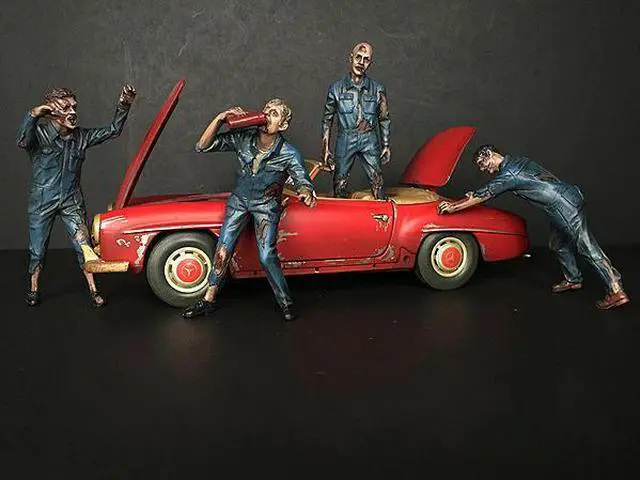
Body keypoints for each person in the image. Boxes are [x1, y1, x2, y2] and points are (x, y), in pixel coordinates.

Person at [437, 144, 629, 310]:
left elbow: (485, 194)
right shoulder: (518, 161)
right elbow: (494, 186)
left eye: (483, 164)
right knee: (558, 244)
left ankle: (615, 290)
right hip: (567, 197)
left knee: (587, 247)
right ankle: (573, 279)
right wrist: (475, 194)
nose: (485, 170)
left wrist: (454, 207)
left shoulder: (509, 174)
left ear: (490, 154)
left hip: (562, 206)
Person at [183, 99, 317, 321]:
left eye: (274, 114)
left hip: (266, 207)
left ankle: (286, 302)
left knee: (266, 256)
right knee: (223, 249)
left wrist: (305, 191)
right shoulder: (243, 138)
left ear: (283, 125)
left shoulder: (288, 153)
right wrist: (220, 118)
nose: (267, 116)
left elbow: (302, 179)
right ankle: (208, 299)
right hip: (239, 202)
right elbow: (203, 146)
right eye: (266, 111)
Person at [17, 84, 136, 307]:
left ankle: (93, 289)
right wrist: (34, 114)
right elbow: (23, 141)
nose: (73, 112)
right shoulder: (40, 135)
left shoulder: (80, 136)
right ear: (52, 111)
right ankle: (34, 288)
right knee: (37, 249)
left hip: (71, 201)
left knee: (84, 246)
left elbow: (113, 130)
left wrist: (124, 104)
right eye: (66, 108)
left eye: (74, 107)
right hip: (42, 201)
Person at [321, 41, 391, 200]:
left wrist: (386, 144)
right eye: (358, 57)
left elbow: (384, 118)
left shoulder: (377, 89)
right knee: (339, 182)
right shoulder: (336, 88)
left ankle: (381, 213)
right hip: (346, 138)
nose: (361, 62)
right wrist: (325, 148)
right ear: (350, 58)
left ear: (370, 63)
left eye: (366, 59)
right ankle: (339, 213)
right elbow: (327, 119)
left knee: (377, 182)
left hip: (370, 139)